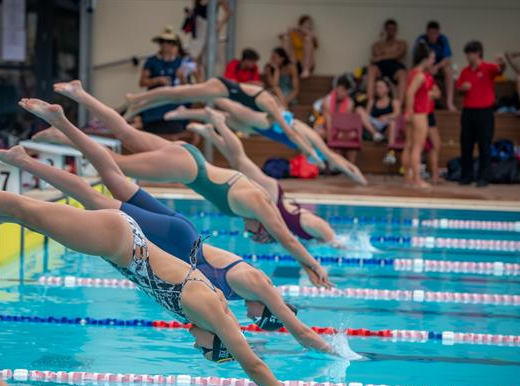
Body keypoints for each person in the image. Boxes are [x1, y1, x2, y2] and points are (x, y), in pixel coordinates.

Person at [0, 160, 307, 386]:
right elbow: (251, 361)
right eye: (204, 348)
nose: (194, 343)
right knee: (25, 211)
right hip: (119, 241)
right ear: (216, 340)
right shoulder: (209, 309)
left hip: (120, 246)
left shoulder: (202, 310)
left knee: (28, 219)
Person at [16, 106, 343, 356]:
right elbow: (298, 329)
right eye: (259, 317)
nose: (250, 316)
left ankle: (62, 127)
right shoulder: (256, 284)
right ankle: (31, 157)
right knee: (95, 196)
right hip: (175, 239)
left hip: (179, 234)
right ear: (269, 310)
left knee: (113, 177)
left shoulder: (243, 292)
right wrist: (334, 351)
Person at [54, 83, 332, 286]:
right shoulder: (259, 204)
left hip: (189, 158)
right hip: (187, 167)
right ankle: (61, 135)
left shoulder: (253, 199)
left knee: (128, 136)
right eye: (254, 234)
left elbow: (237, 155)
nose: (247, 232)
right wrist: (312, 264)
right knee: (115, 164)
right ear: (262, 226)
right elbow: (287, 238)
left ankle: (80, 95)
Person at [189, 107, 342, 245]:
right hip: (273, 195)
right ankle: (219, 123)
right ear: (261, 229)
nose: (246, 228)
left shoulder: (275, 223)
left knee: (237, 163)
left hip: (274, 196)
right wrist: (336, 244)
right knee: (241, 160)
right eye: (251, 232)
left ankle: (212, 134)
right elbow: (323, 227)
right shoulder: (304, 224)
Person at [123, 74, 324, 165]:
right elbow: (289, 131)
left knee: (176, 97)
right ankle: (137, 98)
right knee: (176, 93)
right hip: (221, 87)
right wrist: (310, 152)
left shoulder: (264, 109)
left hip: (222, 95)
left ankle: (138, 106)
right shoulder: (269, 104)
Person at [162, 98, 367, 185]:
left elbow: (346, 165)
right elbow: (342, 163)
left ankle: (185, 112)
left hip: (270, 131)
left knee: (224, 118)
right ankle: (219, 94)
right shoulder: (318, 146)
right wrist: (357, 177)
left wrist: (357, 176)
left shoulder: (320, 153)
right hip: (273, 125)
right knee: (229, 108)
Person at [456, 41, 506, 187]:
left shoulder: (488, 68)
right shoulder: (465, 71)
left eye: (469, 54)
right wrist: (462, 89)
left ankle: (484, 177)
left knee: (484, 145)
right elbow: (458, 89)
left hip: (485, 112)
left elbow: (500, 70)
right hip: (468, 111)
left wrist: (502, 62)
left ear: (477, 53)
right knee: (466, 145)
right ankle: (466, 176)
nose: (467, 57)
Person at [138, 26, 186, 135]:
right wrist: (157, 80)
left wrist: (182, 77)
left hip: (173, 105)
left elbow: (187, 87)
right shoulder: (152, 61)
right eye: (164, 42)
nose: (168, 45)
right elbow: (142, 82)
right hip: (155, 106)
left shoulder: (180, 62)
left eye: (171, 42)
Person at [403, 42, 437, 189]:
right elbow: (409, 93)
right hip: (419, 114)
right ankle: (417, 179)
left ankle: (408, 178)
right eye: (431, 58)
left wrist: (408, 112)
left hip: (413, 114)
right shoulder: (420, 76)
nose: (433, 61)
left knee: (409, 146)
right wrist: (410, 111)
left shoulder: (412, 72)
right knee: (417, 148)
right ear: (425, 59)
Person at [313, 75, 358, 164]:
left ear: (347, 92)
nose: (340, 92)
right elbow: (327, 118)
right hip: (328, 129)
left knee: (353, 137)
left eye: (343, 90)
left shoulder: (350, 103)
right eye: (338, 89)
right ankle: (317, 162)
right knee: (317, 133)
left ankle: (350, 168)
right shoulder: (327, 99)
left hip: (342, 129)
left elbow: (344, 120)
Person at [415, 21, 456, 111]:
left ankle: (449, 102)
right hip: (425, 67)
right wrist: (429, 68)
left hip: (438, 67)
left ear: (438, 33)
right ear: (427, 32)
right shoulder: (421, 40)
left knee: (448, 69)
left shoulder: (443, 39)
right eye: (430, 33)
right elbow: (418, 58)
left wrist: (436, 67)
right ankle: (419, 102)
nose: (432, 36)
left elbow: (447, 58)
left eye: (434, 33)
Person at [366, 19, 408, 104]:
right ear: (385, 30)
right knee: (371, 69)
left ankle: (399, 104)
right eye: (388, 29)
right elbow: (375, 55)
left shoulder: (401, 43)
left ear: (396, 30)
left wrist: (381, 57)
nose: (390, 31)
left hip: (395, 65)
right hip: (381, 67)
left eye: (392, 29)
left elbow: (399, 54)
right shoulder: (378, 44)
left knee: (403, 73)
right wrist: (382, 40)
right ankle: (370, 102)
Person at [182, 0, 231, 66]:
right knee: (194, 55)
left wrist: (220, 25)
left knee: (207, 56)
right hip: (198, 26)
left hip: (209, 26)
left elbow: (228, 12)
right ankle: (195, 74)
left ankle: (206, 74)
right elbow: (196, 9)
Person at [355, 77, 400, 143]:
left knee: (393, 123)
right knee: (359, 109)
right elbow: (367, 116)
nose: (378, 89)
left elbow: (397, 114)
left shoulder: (394, 102)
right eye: (376, 87)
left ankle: (391, 150)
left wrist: (387, 116)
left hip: (386, 125)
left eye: (380, 87)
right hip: (373, 124)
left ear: (388, 89)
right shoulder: (372, 101)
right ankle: (376, 134)